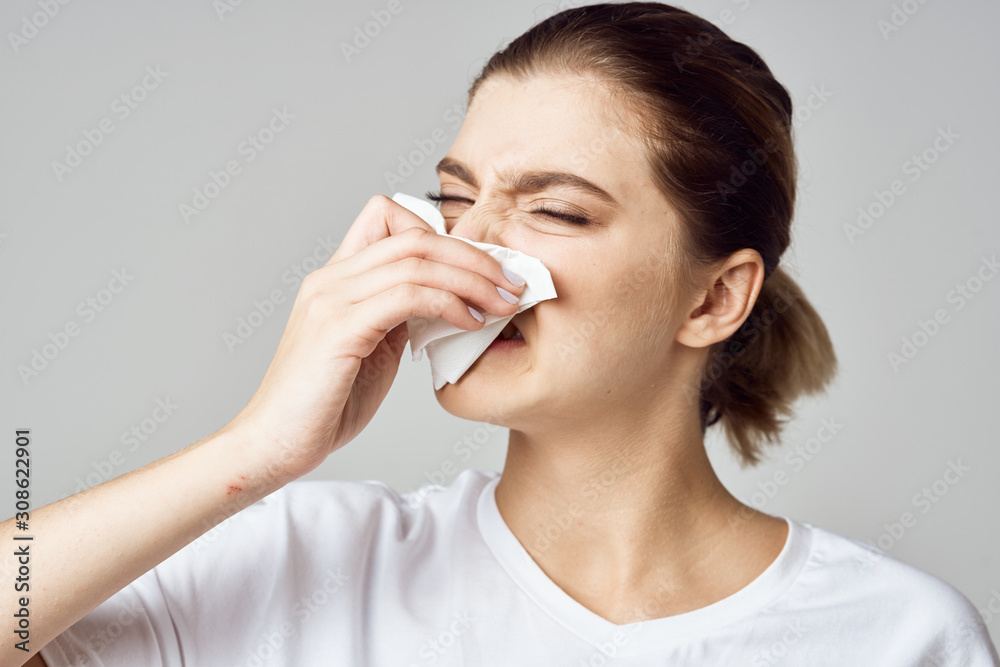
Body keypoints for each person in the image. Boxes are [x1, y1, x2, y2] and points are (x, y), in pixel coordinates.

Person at [5, 2, 998, 665]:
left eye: (556, 211)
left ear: (713, 300)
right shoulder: (300, 561)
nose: (464, 248)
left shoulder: (900, 635)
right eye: (452, 196)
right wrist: (252, 453)